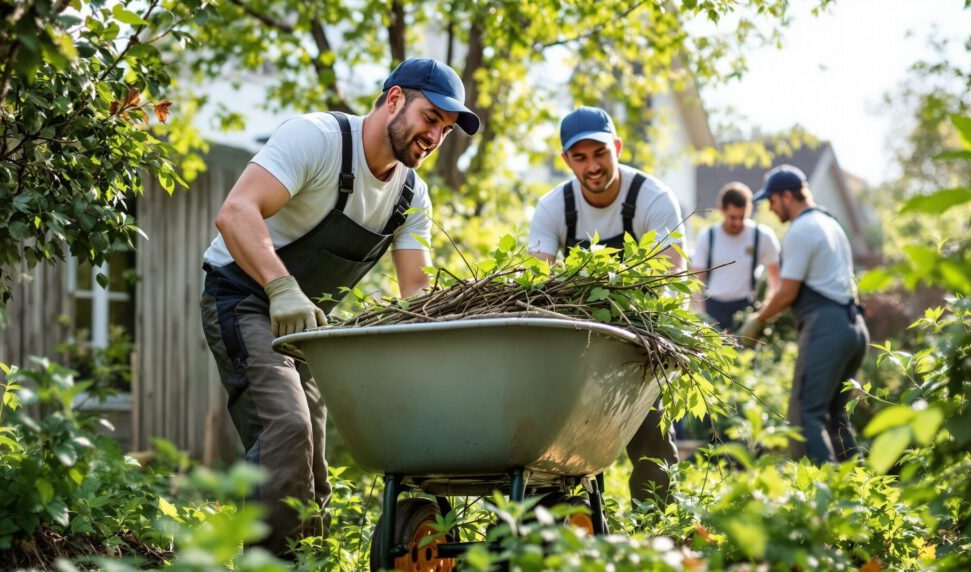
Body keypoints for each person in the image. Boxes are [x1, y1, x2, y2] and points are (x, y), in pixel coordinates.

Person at [198, 58, 480, 556]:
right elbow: (235, 212)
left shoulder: (412, 195)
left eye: (446, 128)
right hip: (243, 296)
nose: (435, 136)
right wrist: (281, 287)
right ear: (394, 99)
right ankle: (272, 566)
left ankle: (312, 559)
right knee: (285, 426)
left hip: (308, 326)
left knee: (312, 459)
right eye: (431, 118)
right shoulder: (317, 139)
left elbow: (416, 291)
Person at [528, 106, 682, 504]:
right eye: (580, 157)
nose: (592, 166)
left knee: (653, 445)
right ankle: (569, 527)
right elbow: (538, 284)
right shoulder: (553, 208)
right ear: (566, 160)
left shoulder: (652, 198)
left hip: (639, 339)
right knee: (556, 444)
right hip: (579, 341)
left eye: (600, 153)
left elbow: (669, 273)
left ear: (617, 146)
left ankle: (658, 538)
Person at [738, 164, 869, 464]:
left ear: (787, 196)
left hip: (827, 327)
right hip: (854, 326)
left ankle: (820, 500)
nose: (771, 207)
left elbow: (787, 292)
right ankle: (856, 493)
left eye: (772, 200)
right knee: (834, 416)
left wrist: (757, 320)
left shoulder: (801, 229)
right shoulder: (831, 223)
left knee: (803, 415)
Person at [692, 182, 781, 330]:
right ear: (722, 209)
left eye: (742, 217)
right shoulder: (707, 237)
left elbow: (776, 280)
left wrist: (763, 316)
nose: (738, 222)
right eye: (733, 217)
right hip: (713, 309)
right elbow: (696, 282)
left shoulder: (763, 236)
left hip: (746, 309)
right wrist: (700, 317)